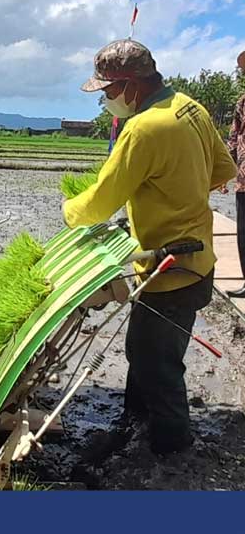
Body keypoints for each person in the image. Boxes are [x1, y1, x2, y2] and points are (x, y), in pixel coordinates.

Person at [64, 39, 237, 455]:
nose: (106, 101)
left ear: (130, 86)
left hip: (173, 267)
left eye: (107, 91)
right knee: (145, 348)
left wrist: (69, 210)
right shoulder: (188, 106)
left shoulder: (142, 129)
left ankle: (171, 449)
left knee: (156, 361)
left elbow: (100, 202)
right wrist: (178, 194)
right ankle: (136, 421)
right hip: (197, 258)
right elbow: (223, 169)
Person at [226, 50, 245, 298]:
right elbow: (233, 137)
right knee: (244, 235)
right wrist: (225, 172)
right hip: (244, 179)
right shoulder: (242, 102)